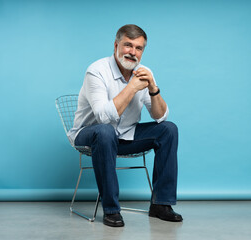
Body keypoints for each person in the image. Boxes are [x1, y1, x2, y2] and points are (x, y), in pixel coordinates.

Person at [68, 24, 182, 227]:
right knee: (105, 132)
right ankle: (111, 209)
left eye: (138, 48)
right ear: (116, 45)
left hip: (126, 135)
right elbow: (103, 117)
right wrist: (131, 87)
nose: (133, 52)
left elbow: (160, 116)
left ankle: (161, 205)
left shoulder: (143, 73)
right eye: (128, 45)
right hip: (90, 134)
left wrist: (154, 89)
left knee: (169, 129)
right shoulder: (96, 71)